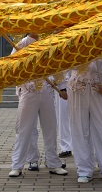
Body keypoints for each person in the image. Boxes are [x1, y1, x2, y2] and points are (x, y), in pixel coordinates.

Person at [8, 33, 69, 178]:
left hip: (47, 91)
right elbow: (11, 67)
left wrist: (62, 87)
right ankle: (17, 165)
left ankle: (53, 163)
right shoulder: (21, 45)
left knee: (50, 128)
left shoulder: (50, 42)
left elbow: (57, 65)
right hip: (28, 91)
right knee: (24, 129)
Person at [67, 55, 102, 183]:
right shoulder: (71, 48)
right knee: (80, 129)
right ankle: (84, 170)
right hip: (76, 90)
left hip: (98, 90)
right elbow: (62, 69)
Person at [56, 70, 73, 159]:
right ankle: (66, 147)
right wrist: (62, 87)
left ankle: (83, 147)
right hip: (63, 84)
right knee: (63, 117)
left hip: (81, 83)